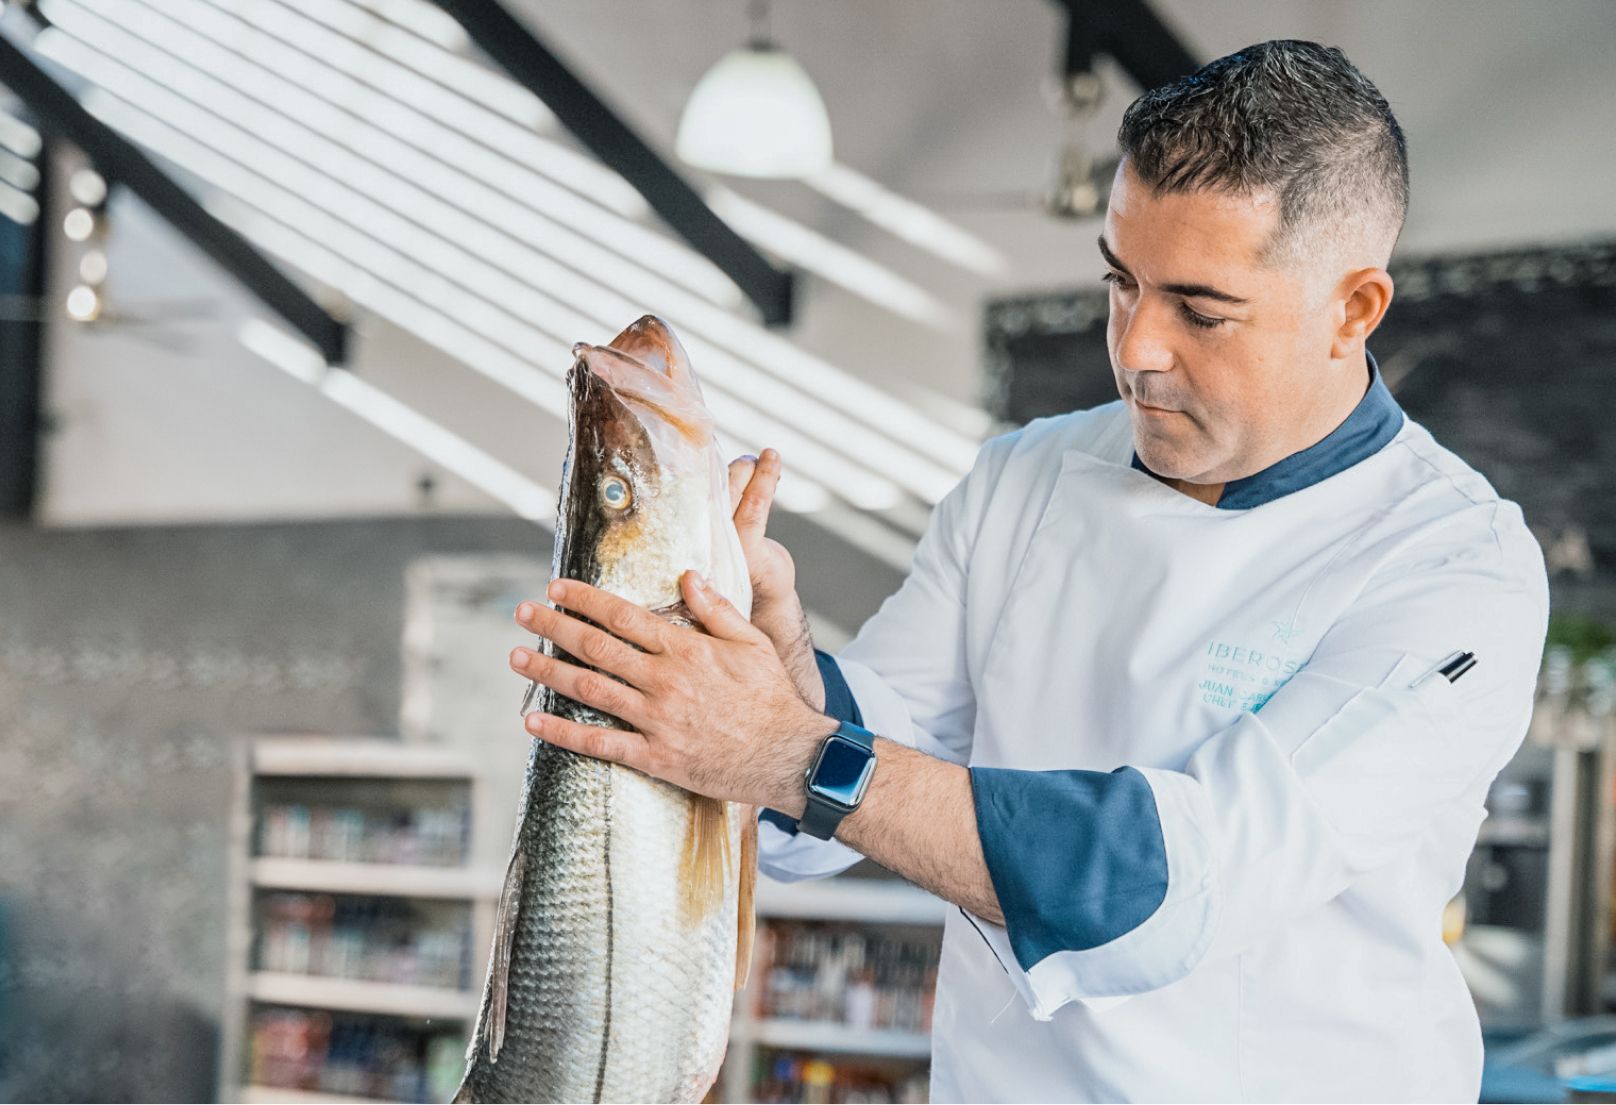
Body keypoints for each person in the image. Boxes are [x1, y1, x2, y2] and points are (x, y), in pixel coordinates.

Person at [506, 39, 1548, 1102]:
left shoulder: (1453, 565)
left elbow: (1172, 884)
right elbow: (875, 747)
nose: (1136, 346)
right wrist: (785, 678)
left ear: (1353, 309)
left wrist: (782, 747)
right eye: (1119, 280)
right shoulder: (1029, 475)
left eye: (1200, 308)